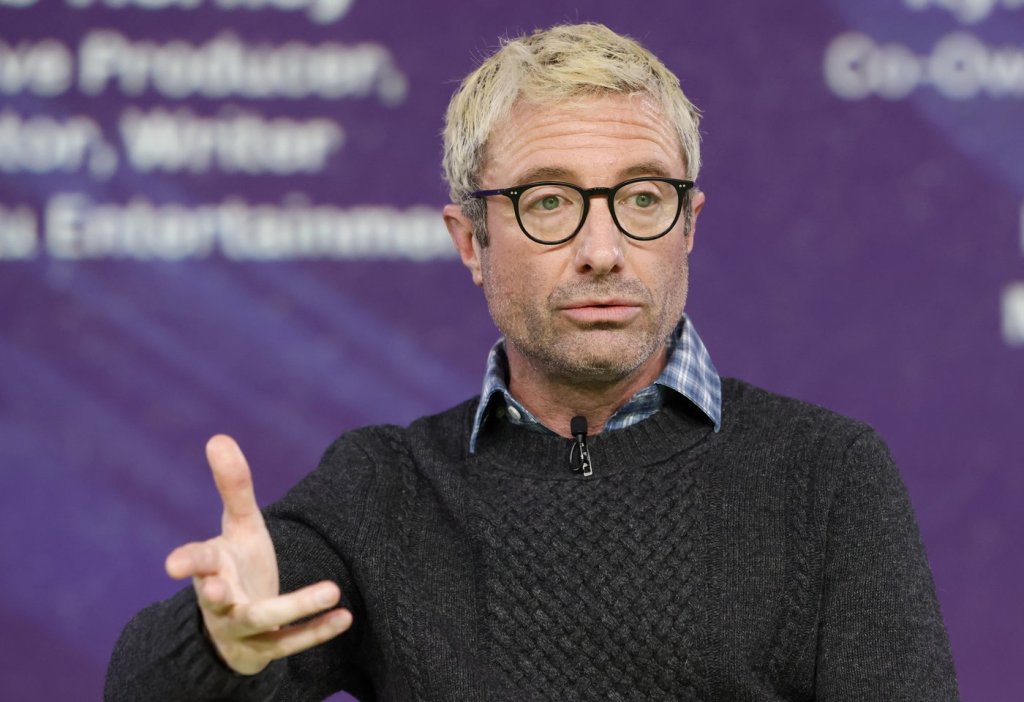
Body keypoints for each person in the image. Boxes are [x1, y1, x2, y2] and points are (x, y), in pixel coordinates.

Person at [106, 23, 959, 701]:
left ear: (689, 226)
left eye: (643, 198)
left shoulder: (825, 475)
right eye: (549, 201)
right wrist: (218, 646)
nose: (603, 250)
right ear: (470, 241)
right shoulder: (384, 491)